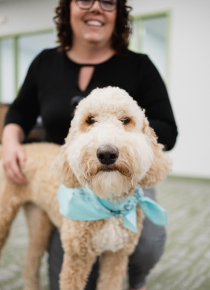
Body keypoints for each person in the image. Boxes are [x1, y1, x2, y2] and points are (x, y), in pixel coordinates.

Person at [2, 0, 178, 289]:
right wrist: (9, 142)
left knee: (146, 246)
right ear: (67, 9)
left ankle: (137, 281)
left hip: (128, 172)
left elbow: (168, 129)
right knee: (71, 272)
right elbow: (19, 111)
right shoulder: (44, 62)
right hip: (73, 178)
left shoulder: (140, 66)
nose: (96, 7)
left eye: (108, 1)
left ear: (118, 14)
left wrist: (128, 139)